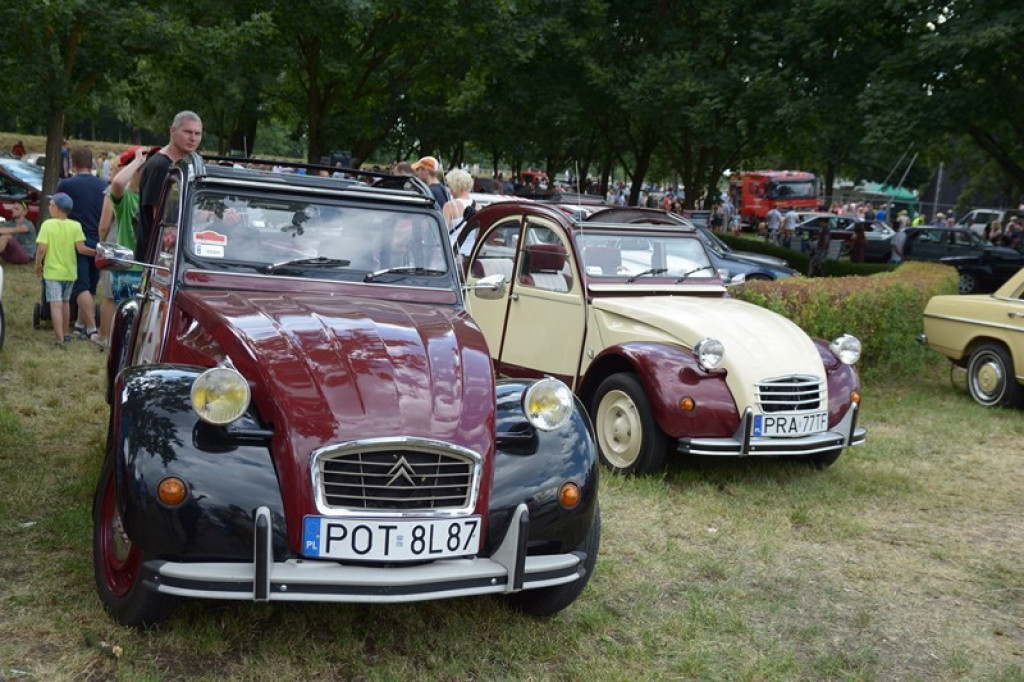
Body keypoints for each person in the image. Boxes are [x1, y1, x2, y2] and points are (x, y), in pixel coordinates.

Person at [95, 146, 148, 348]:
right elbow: (117, 184)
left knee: (143, 322)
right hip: (128, 270)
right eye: (142, 170)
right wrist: (138, 161)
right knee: (125, 319)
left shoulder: (158, 200)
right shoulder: (126, 199)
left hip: (151, 269)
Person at [57, 146, 108, 342]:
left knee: (80, 287)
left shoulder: (66, 185)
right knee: (91, 287)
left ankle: (92, 329)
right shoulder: (104, 184)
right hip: (98, 239)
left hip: (76, 239)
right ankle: (80, 325)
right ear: (92, 163)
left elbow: (59, 209)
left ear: (74, 163)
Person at [138, 110, 203, 262]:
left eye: (197, 133)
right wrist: (207, 215)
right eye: (188, 132)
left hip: (179, 255)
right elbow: (161, 218)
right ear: (173, 131)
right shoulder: (160, 166)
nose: (193, 138)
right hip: (158, 258)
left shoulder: (190, 165)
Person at [34, 193, 93, 347]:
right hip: (70, 273)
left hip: (53, 272)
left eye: (51, 204)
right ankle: (66, 333)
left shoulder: (47, 225)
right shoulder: (76, 226)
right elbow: (81, 249)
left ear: (58, 209)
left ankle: (59, 339)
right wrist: (97, 252)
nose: (49, 207)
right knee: (66, 302)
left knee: (55, 304)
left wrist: (38, 264)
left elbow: (41, 248)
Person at [442, 168, 475, 240]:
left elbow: (443, 233)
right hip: (472, 246)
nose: (450, 190)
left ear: (455, 186)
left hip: (453, 246)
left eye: (450, 186)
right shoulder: (478, 206)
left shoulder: (449, 206)